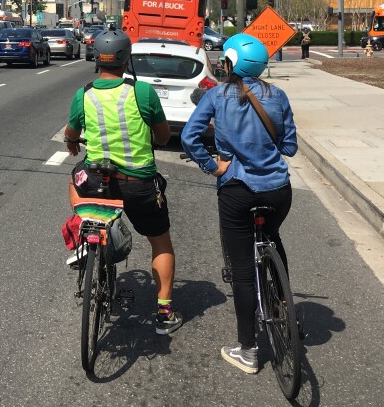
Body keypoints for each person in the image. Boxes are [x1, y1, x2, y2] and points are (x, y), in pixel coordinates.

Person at [180, 34, 298, 374]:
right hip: (278, 189)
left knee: (243, 271)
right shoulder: (278, 95)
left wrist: (214, 165)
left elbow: (189, 137)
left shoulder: (217, 96)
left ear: (229, 62)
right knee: (273, 236)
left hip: (237, 190)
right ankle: (284, 305)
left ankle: (248, 349)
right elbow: (289, 147)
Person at [63, 26, 182, 335]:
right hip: (140, 184)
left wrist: (73, 143)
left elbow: (71, 132)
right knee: (160, 242)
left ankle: (83, 235)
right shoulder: (142, 92)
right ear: (126, 58)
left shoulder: (84, 94)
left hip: (98, 183)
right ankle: (165, 312)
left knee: (73, 179)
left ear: (96, 59)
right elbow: (163, 135)